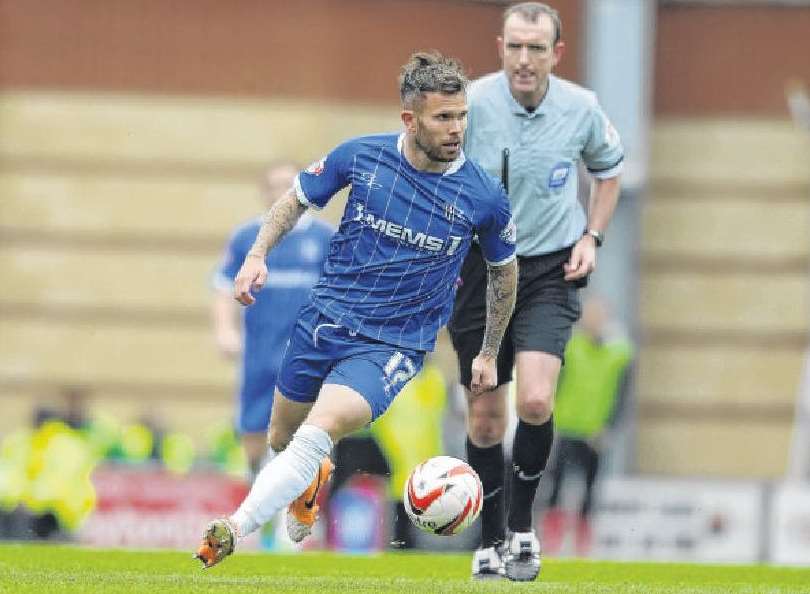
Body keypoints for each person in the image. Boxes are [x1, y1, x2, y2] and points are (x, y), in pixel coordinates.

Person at [194, 50, 519, 569]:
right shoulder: (360, 157)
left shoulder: (483, 196)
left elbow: (504, 272)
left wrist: (489, 351)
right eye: (443, 117)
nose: (456, 128)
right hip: (324, 320)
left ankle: (235, 527)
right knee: (281, 437)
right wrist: (257, 256)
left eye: (461, 116)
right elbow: (294, 201)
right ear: (410, 119)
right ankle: (310, 480)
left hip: (392, 345)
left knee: (317, 430)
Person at [446, 2, 624, 581]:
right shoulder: (469, 104)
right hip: (479, 269)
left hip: (550, 269)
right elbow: (429, 172)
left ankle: (522, 528)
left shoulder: (581, 109)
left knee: (536, 401)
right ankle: (489, 537)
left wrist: (592, 237)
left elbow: (609, 171)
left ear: (556, 53)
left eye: (537, 48)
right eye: (516, 46)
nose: (525, 59)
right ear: (500, 47)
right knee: (487, 419)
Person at [212, 161, 334, 480]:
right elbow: (224, 286)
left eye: (288, 185)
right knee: (253, 433)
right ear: (264, 193)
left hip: (306, 354)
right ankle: (260, 493)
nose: (281, 192)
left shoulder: (324, 238)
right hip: (259, 353)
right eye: (274, 186)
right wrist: (225, 331)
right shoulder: (247, 238)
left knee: (307, 432)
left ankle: (300, 511)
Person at [541, 297, 632, 557]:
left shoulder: (620, 353)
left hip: (595, 432)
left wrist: (609, 427)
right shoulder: (570, 347)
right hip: (567, 426)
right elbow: (555, 383)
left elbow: (621, 395)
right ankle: (553, 541)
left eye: (598, 315)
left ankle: (583, 545)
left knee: (590, 489)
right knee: (557, 485)